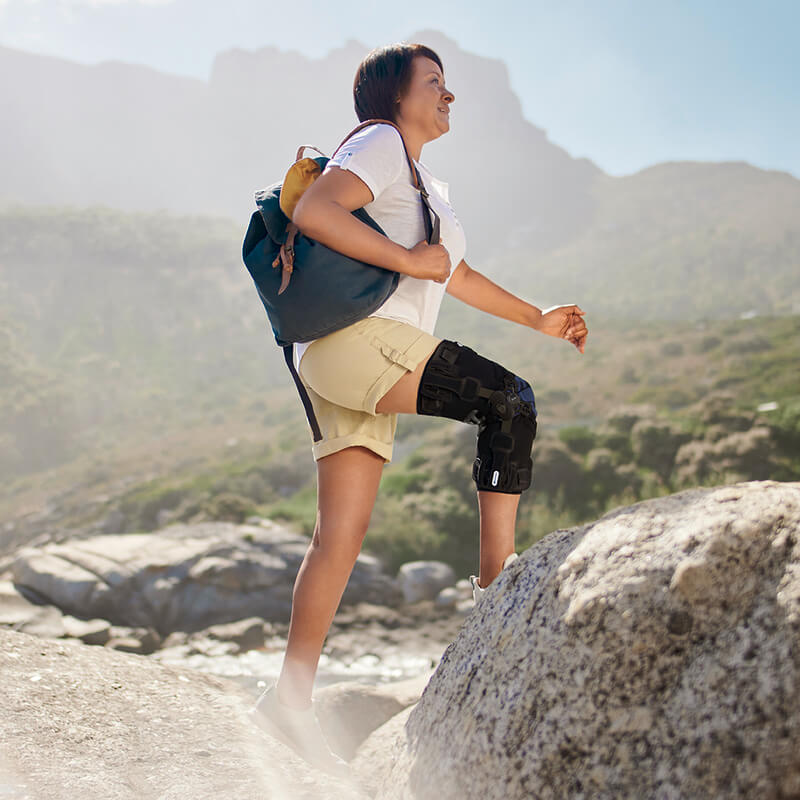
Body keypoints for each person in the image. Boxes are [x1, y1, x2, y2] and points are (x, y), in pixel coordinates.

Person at [250, 42, 588, 774]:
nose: (449, 95)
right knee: (508, 402)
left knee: (339, 535)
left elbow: (453, 272)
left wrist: (540, 319)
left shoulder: (422, 178)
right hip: (360, 343)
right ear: (394, 97)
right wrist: (409, 263)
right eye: (434, 83)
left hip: (337, 355)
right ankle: (497, 589)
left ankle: (288, 703)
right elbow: (314, 211)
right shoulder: (376, 143)